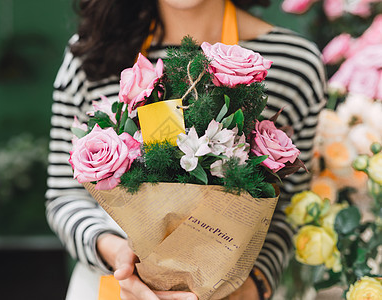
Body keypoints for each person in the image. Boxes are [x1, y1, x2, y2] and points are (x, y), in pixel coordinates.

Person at [45, 0, 327, 299]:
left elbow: (288, 209)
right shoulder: (93, 51)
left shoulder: (294, 63)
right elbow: (65, 197)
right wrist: (119, 256)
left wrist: (252, 287)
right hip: (116, 285)